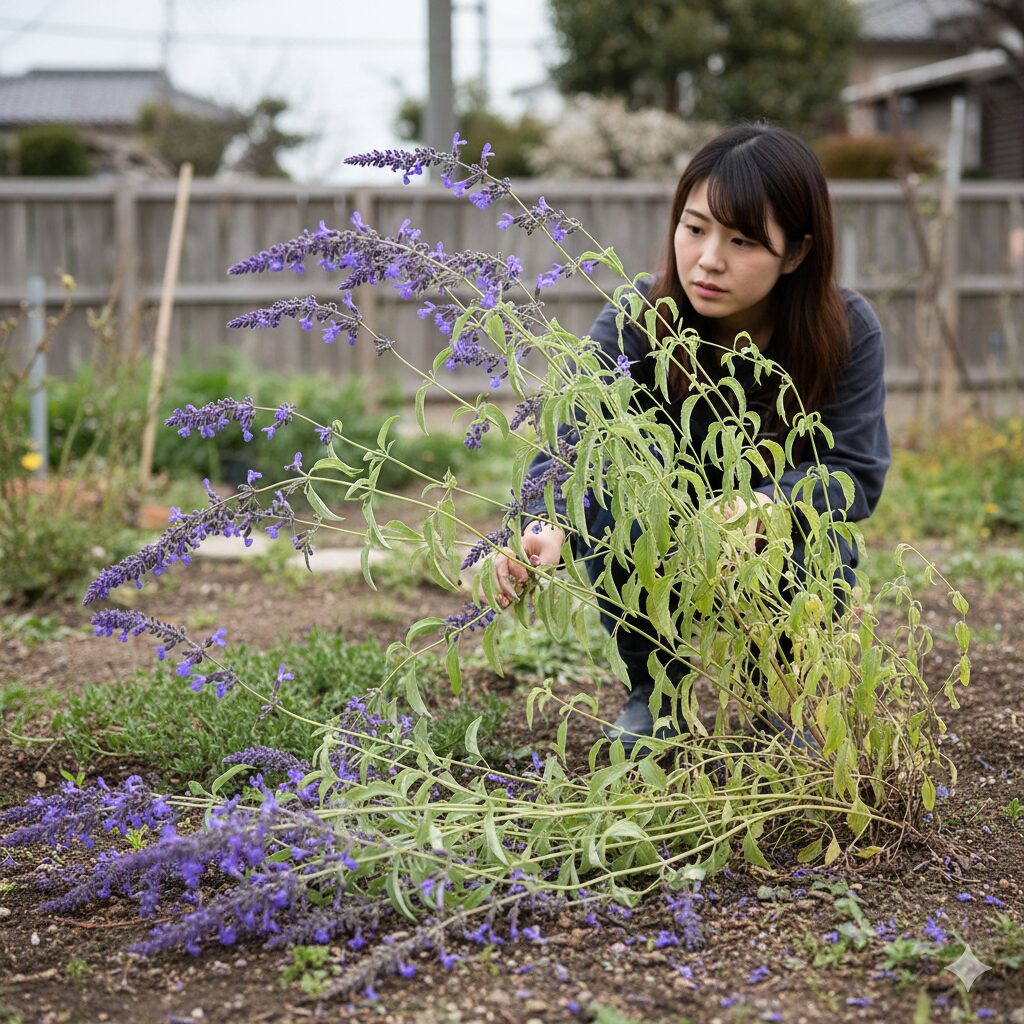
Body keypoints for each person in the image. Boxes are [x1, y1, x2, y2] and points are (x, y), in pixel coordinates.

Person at [492, 123, 891, 755]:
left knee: (818, 529)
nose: (708, 259)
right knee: (612, 487)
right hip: (659, 545)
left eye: (741, 240)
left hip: (768, 549)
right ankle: (657, 696)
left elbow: (855, 470)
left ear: (796, 253)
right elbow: (574, 439)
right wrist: (541, 523)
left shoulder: (845, 331)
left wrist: (766, 505)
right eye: (695, 227)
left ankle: (782, 697)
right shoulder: (635, 317)